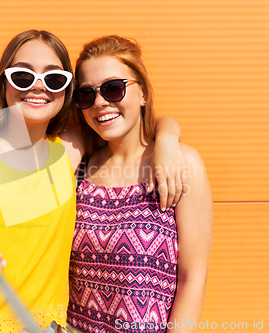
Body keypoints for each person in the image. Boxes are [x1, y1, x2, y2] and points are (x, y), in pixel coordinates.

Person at [0, 30, 185, 333]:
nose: (37, 86)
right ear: (3, 83)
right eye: (22, 76)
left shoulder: (72, 150)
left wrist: (166, 137)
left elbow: (135, 119)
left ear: (66, 92)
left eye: (53, 79)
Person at [66, 35, 213, 333]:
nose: (100, 102)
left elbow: (192, 279)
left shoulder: (181, 163)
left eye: (114, 88)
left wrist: (168, 136)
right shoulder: (78, 166)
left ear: (143, 93)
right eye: (86, 95)